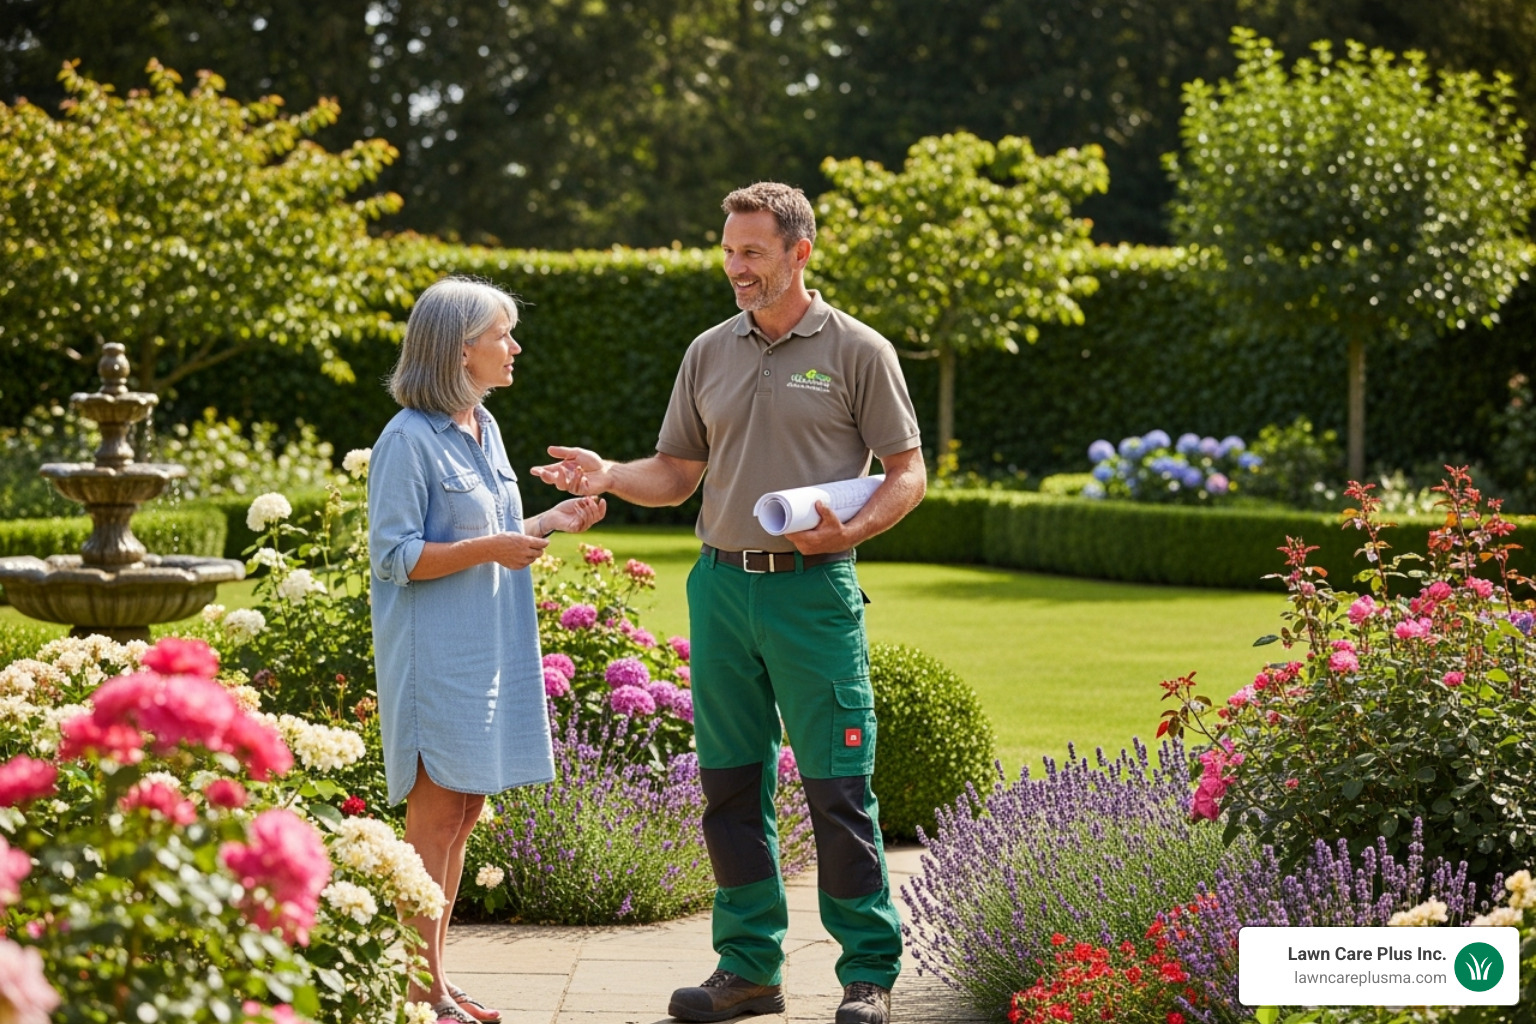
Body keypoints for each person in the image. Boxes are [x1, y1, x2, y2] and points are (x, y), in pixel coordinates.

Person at [532, 182, 925, 1024]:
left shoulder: (859, 350)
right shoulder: (708, 350)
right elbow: (676, 474)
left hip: (812, 592)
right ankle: (748, 968)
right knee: (730, 785)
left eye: (752, 252)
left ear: (799, 253)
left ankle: (867, 974)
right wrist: (608, 475)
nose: (735, 267)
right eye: (728, 251)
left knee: (837, 786)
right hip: (719, 589)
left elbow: (906, 473)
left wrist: (847, 533)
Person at [369, 276, 606, 1024]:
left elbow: (499, 537)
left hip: (487, 648)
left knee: (463, 815)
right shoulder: (406, 439)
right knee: (434, 821)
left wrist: (555, 519)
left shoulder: (483, 427)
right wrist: (492, 547)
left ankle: (434, 982)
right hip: (436, 657)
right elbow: (395, 557)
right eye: (502, 333)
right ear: (459, 347)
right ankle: (417, 991)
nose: (515, 346)